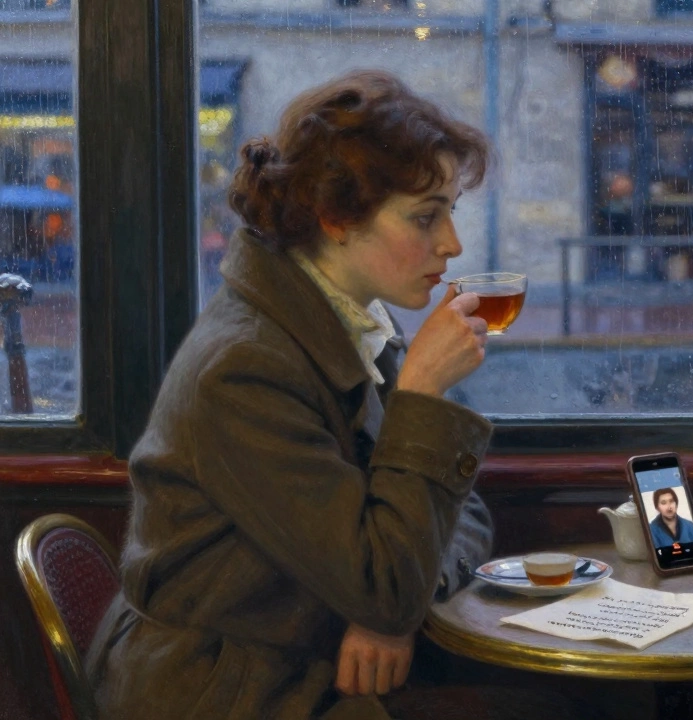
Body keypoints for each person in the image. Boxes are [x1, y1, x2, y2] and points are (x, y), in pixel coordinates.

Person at [87, 70, 582, 720]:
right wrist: (422, 395)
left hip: (301, 666)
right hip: (226, 690)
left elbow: (463, 513)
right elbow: (388, 577)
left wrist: (392, 606)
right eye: (426, 217)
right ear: (336, 219)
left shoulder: (353, 320)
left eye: (450, 213)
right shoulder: (245, 369)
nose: (452, 243)